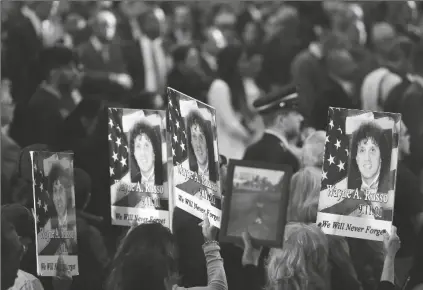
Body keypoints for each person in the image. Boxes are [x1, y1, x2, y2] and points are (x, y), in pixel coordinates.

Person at [106, 215, 227, 290]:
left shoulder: (117, 281)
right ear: (165, 277)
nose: (178, 274)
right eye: (173, 266)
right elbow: (218, 288)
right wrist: (210, 243)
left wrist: (130, 239)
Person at [319, 121, 393, 220]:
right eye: (362, 150)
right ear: (356, 158)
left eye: (372, 150)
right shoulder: (343, 195)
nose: (367, 158)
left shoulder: (391, 195)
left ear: (381, 157)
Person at [207, 44, 264, 160]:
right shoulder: (219, 86)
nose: (245, 65)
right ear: (232, 63)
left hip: (239, 146)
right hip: (225, 149)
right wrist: (250, 135)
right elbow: (230, 123)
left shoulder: (236, 86)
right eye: (242, 61)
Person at [243, 84, 303, 173]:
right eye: (295, 114)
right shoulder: (288, 159)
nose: (301, 118)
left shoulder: (250, 152)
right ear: (281, 120)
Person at [38, 163, 77, 256]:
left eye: (67, 187)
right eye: (57, 190)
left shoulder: (77, 222)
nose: (63, 194)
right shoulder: (45, 221)